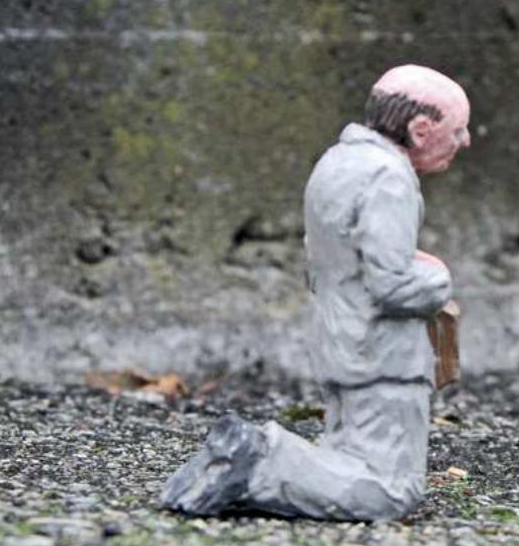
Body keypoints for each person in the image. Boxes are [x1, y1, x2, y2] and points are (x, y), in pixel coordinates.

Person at [161, 64, 471, 520]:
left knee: (348, 457)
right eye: (457, 130)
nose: (465, 142)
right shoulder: (389, 178)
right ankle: (260, 460)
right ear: (421, 129)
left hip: (340, 339)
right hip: (382, 354)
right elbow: (390, 284)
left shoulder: (337, 162)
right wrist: (438, 277)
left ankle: (252, 460)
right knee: (391, 491)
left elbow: (338, 253)